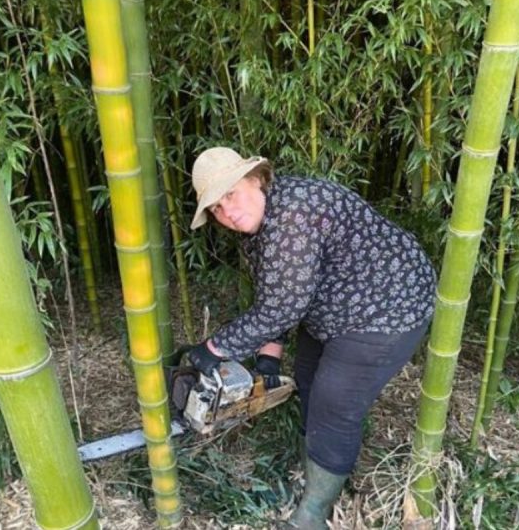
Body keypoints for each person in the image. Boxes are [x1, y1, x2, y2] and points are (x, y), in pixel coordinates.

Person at [185, 147, 437, 528]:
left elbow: (283, 306)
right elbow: (275, 293)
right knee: (306, 379)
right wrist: (269, 355)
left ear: (256, 179)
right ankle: (319, 466)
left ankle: (313, 513)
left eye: (230, 195)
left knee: (333, 403)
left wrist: (214, 348)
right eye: (217, 208)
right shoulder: (260, 221)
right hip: (335, 304)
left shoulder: (294, 213)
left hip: (390, 306)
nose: (228, 213)